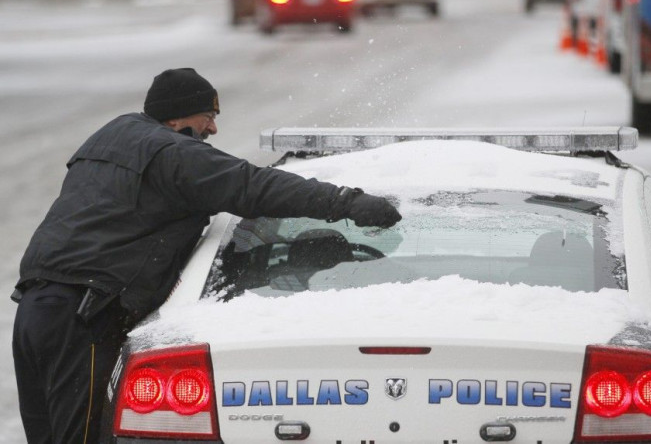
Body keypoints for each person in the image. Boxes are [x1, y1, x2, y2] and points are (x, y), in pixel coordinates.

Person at [11, 68, 402, 443]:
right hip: (81, 319)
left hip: (34, 310)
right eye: (208, 116)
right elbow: (252, 186)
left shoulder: (109, 137)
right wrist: (344, 202)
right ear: (180, 117)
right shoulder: (173, 153)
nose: (212, 129)